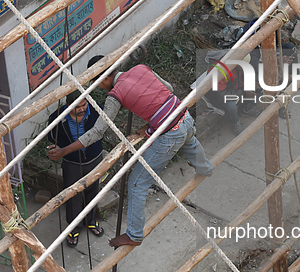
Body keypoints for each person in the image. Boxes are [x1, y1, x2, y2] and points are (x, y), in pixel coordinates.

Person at [47, 64, 213, 248]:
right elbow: (169, 89)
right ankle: (204, 168)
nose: (101, 88)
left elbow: (97, 132)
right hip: (184, 116)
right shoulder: (140, 68)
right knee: (190, 142)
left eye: (98, 84)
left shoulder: (114, 95)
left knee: (136, 183)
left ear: (102, 80)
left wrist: (63, 151)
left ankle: (134, 235)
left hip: (170, 134)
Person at [47, 91, 105, 247]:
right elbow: (52, 137)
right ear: (68, 106)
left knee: (93, 190)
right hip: (71, 163)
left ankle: (90, 220)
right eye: (77, 106)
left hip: (94, 159)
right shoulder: (57, 118)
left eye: (84, 105)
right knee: (72, 194)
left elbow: (101, 129)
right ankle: (74, 227)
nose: (82, 109)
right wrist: (55, 148)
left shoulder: (95, 109)